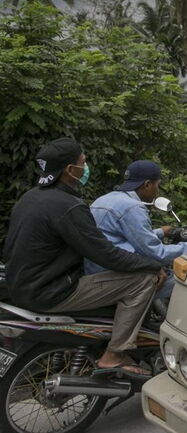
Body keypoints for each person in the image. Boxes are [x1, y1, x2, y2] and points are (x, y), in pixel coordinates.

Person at [2, 138, 165, 375]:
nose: (85, 168)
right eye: (83, 162)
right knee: (143, 280)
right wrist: (153, 265)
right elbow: (106, 255)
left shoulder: (30, 198)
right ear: (71, 170)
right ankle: (115, 353)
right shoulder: (68, 206)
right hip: (51, 292)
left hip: (22, 287)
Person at [85, 160, 187, 310]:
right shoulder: (132, 207)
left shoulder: (105, 199)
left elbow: (123, 239)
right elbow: (157, 253)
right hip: (110, 274)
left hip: (95, 269)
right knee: (182, 279)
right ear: (147, 184)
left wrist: (160, 232)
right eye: (157, 185)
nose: (157, 191)